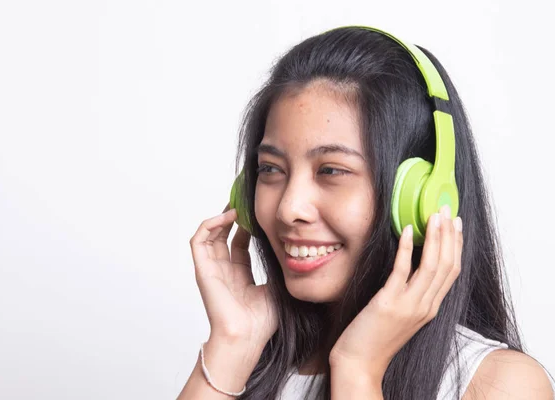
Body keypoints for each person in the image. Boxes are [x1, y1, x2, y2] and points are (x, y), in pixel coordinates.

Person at [177, 26, 554, 399]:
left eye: (331, 171)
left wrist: (357, 370)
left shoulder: (499, 384)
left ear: (420, 198)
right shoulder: (250, 361)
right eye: (271, 169)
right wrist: (232, 343)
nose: (289, 208)